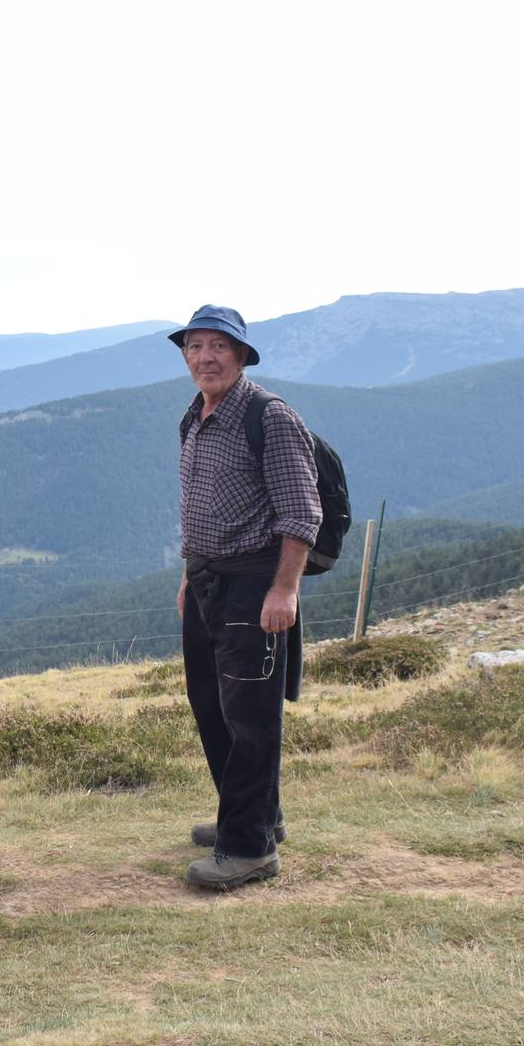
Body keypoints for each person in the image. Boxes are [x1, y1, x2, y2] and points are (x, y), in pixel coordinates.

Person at [172, 304, 321, 892]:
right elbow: (201, 503)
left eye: (218, 347)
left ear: (241, 355)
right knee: (211, 704)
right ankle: (256, 815)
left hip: (255, 585)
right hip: (207, 580)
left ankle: (249, 848)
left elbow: (301, 513)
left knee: (250, 717)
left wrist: (284, 589)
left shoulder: (270, 417)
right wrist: (190, 572)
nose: (206, 357)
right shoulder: (194, 417)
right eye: (195, 346)